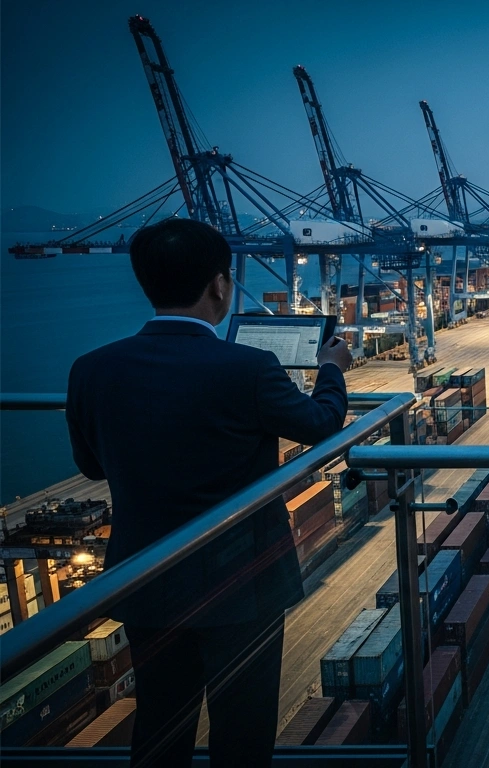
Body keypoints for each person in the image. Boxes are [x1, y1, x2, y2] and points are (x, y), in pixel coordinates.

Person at [65, 218, 352, 766]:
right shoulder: (249, 367)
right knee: (243, 731)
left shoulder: (91, 369)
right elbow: (321, 424)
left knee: (160, 724)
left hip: (145, 578)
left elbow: (91, 467)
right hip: (243, 581)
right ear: (220, 285)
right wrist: (331, 369)